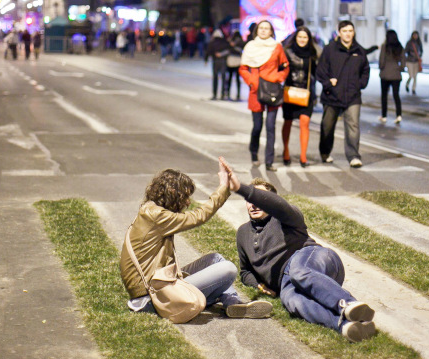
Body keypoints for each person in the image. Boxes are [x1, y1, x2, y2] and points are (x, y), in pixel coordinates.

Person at [219, 157, 377, 342]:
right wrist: (259, 285)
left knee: (299, 271)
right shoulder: (243, 233)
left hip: (311, 258)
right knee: (292, 301)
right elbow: (245, 271)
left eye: (259, 199)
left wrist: (243, 189)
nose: (253, 204)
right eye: (249, 200)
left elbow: (279, 206)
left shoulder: (286, 217)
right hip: (286, 283)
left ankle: (348, 304)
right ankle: (345, 325)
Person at [119, 160, 273, 320]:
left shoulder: (151, 210)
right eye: (184, 196)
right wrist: (224, 187)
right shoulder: (157, 216)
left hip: (157, 284)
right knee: (228, 269)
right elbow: (198, 216)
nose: (187, 202)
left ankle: (232, 302)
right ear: (172, 192)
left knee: (215, 259)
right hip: (152, 296)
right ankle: (229, 300)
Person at [316, 20, 369, 168]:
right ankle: (325, 152)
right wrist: (328, 83)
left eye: (350, 31)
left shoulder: (359, 51)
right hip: (331, 95)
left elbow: (365, 70)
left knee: (353, 126)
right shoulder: (330, 49)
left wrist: (360, 84)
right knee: (327, 127)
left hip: (353, 96)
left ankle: (353, 156)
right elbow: (320, 70)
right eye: (345, 31)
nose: (348, 34)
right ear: (339, 33)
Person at [239, 20, 289, 172]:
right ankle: (254, 153)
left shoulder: (277, 47)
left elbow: (285, 67)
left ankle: (269, 161)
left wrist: (277, 78)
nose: (263, 30)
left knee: (271, 126)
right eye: (261, 28)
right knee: (257, 126)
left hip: (272, 90)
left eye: (267, 28)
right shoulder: (250, 47)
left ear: (271, 32)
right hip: (256, 91)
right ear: (256, 30)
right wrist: (252, 81)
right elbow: (243, 68)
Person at [282, 26, 318, 167]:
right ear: (295, 38)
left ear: (309, 39)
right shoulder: (287, 52)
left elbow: (316, 72)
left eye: (305, 37)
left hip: (306, 93)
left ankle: (303, 157)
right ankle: (286, 151)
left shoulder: (312, 53)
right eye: (300, 37)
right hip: (290, 92)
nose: (302, 40)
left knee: (305, 122)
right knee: (288, 122)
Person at [378, 30, 406, 124]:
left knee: (384, 96)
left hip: (385, 74)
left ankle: (384, 116)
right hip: (396, 75)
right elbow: (403, 61)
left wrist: (381, 68)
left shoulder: (384, 47)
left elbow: (381, 60)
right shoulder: (400, 47)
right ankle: (399, 115)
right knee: (396, 95)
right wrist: (400, 68)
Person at [205, 29, 230, 101]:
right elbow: (229, 50)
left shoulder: (212, 43)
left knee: (215, 78)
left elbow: (208, 52)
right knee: (223, 78)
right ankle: (222, 94)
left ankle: (214, 94)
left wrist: (206, 60)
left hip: (215, 61)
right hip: (223, 61)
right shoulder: (224, 42)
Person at [226, 31, 245, 101]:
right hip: (238, 61)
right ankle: (238, 94)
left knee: (230, 78)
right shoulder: (241, 42)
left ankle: (228, 93)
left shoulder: (230, 42)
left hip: (230, 61)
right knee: (237, 79)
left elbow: (228, 51)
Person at [404, 31, 422, 95]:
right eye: (414, 35)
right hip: (410, 61)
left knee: (415, 76)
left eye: (416, 35)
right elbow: (405, 51)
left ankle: (413, 89)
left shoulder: (419, 43)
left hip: (416, 61)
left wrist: (419, 57)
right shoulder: (409, 43)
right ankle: (407, 84)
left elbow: (421, 51)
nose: (415, 36)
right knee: (411, 75)